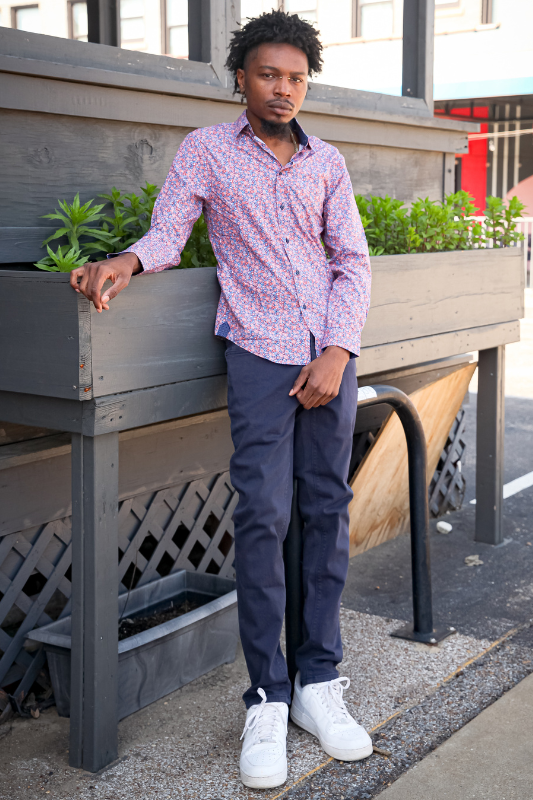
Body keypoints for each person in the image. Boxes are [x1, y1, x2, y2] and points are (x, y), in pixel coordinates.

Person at [70, 9, 372, 790]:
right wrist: (124, 262)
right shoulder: (206, 151)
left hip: (327, 360)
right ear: (241, 77)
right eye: (268, 74)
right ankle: (268, 697)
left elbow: (351, 261)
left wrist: (338, 349)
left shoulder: (327, 162)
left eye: (295, 78)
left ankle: (318, 682)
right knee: (263, 516)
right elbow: (168, 234)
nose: (282, 89)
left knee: (325, 512)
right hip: (259, 355)